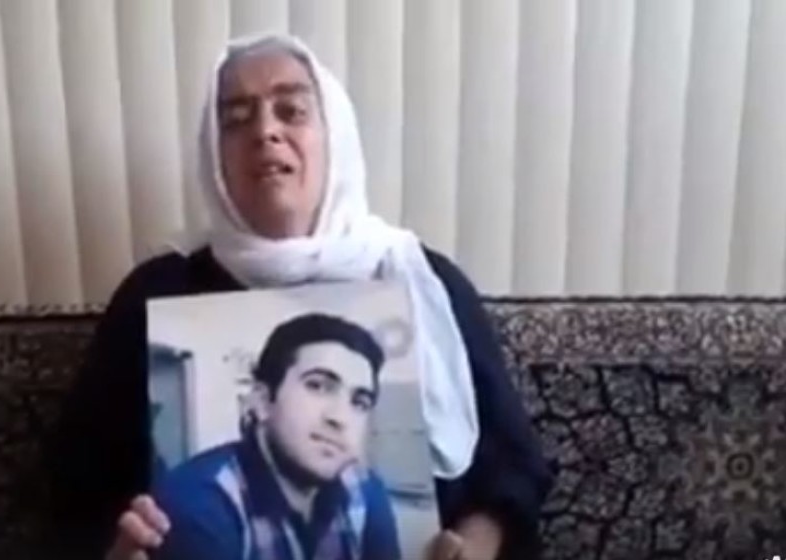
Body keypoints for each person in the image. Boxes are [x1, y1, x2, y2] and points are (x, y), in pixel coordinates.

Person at [45, 32, 554, 560]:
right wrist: (115, 548)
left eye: (292, 111)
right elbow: (77, 486)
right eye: (236, 118)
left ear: (334, 136)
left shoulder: (422, 279)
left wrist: (478, 542)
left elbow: (513, 468)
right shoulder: (155, 294)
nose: (265, 131)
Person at [150, 313, 400, 559]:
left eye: (359, 402)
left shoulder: (365, 490)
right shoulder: (197, 503)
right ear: (262, 401)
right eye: (317, 386)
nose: (340, 418)